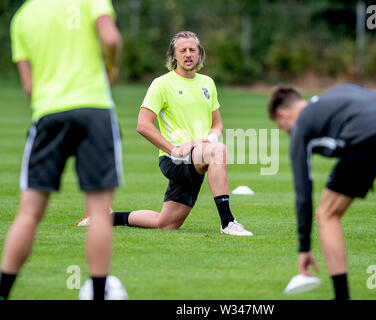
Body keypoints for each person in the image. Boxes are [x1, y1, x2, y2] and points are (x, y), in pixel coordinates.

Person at [0, 0, 123, 300]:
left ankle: (3, 292)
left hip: (49, 113)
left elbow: (29, 87)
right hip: (94, 110)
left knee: (29, 211)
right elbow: (110, 38)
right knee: (97, 211)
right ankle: (97, 294)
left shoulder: (23, 17)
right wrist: (111, 67)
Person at [76, 31, 252, 236]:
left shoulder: (207, 83)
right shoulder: (162, 84)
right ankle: (228, 222)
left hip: (196, 156)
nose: (188, 54)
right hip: (174, 159)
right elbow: (143, 125)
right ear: (174, 56)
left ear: (200, 54)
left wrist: (210, 139)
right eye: (182, 50)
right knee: (217, 151)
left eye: (192, 50)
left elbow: (217, 123)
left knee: (166, 223)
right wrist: (174, 149)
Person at [268, 83, 376, 300]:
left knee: (327, 214)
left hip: (366, 135)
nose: (289, 133)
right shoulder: (341, 91)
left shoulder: (303, 123)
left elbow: (303, 191)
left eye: (284, 128)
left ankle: (342, 297)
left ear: (283, 114)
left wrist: (304, 247)